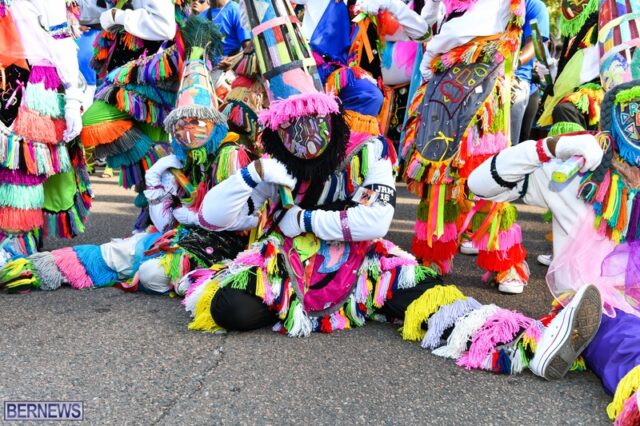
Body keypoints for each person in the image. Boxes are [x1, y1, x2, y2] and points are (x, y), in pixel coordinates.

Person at [179, 0, 442, 336]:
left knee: (429, 298)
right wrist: (251, 175)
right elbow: (212, 219)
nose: (303, 134)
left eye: (312, 119)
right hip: (287, 262)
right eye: (290, 126)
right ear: (275, 132)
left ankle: (355, 300)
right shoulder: (275, 161)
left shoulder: (367, 149)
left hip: (358, 259)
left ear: (330, 114)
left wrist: (303, 220)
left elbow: (375, 221)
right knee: (228, 308)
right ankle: (300, 303)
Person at [0, 16, 252, 294]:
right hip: (180, 237)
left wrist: (185, 214)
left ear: (215, 125)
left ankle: (203, 279)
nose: (189, 132)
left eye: (198, 123)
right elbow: (165, 222)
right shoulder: (180, 161)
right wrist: (157, 183)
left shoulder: (230, 155)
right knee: (116, 254)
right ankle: (38, 267)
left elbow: (232, 219)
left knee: (152, 273)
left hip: (222, 245)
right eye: (182, 125)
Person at [358, 0, 529, 294]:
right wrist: (393, 7)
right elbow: (424, 29)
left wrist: (433, 52)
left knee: (486, 170)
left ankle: (504, 262)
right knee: (440, 168)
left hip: (480, 81)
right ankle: (434, 255)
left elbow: (469, 28)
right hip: (445, 81)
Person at [0, 0, 90, 262]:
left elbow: (60, 41)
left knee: (22, 167)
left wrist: (73, 99)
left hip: (34, 84)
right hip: (10, 77)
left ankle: (18, 241)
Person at [510, 0, 549, 145]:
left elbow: (534, 43)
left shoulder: (534, 6)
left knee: (514, 147)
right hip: (485, 75)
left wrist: (513, 64)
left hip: (518, 81)